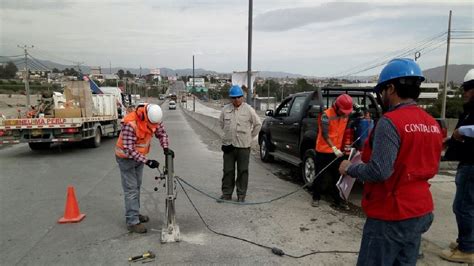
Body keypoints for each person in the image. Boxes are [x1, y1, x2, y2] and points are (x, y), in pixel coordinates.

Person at [338, 58, 443, 265]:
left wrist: (350, 168)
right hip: (420, 210)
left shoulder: (390, 122)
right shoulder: (431, 123)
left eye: (382, 91)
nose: (381, 96)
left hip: (391, 212)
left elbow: (380, 171)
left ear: (391, 88)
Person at [115, 103, 170, 234]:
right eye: (152, 124)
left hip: (139, 158)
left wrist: (166, 148)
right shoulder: (130, 123)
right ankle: (132, 222)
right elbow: (129, 149)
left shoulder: (154, 118)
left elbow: (162, 134)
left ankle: (134, 213)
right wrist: (148, 161)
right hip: (125, 158)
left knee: (137, 187)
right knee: (131, 189)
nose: (154, 127)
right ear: (145, 116)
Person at [440, 69, 474, 263]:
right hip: (467, 162)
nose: (465, 92)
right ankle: (466, 241)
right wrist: (450, 140)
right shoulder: (470, 109)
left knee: (462, 207)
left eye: (468, 88)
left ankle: (467, 249)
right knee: (468, 206)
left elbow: (466, 131)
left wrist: (462, 130)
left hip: (471, 165)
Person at [219, 85, 262, 202]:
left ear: (242, 97)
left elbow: (258, 124)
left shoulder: (248, 110)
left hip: (243, 146)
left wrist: (250, 137)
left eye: (239, 97)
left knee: (243, 171)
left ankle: (241, 195)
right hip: (229, 146)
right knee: (228, 171)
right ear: (230, 98)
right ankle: (226, 194)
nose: (236, 100)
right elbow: (222, 124)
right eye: (234, 98)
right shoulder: (225, 110)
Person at [311, 93, 353, 208]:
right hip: (323, 151)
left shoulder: (346, 114)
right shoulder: (326, 115)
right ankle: (316, 197)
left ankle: (337, 200)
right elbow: (325, 134)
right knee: (320, 175)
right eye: (343, 111)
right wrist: (333, 148)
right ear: (336, 106)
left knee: (337, 177)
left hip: (337, 153)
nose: (344, 114)